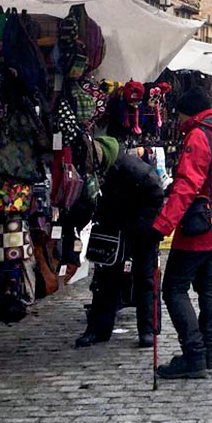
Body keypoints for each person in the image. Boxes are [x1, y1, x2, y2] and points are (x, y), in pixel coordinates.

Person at [151, 87, 212, 379]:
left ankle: (194, 355)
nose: (176, 121)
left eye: (178, 115)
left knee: (174, 288)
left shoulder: (199, 136)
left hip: (199, 225)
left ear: (188, 112)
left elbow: (187, 185)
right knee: (207, 287)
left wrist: (162, 226)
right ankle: (208, 353)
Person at [74, 136, 165, 349]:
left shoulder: (133, 169)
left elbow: (156, 195)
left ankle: (148, 330)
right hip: (113, 227)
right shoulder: (100, 173)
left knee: (145, 279)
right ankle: (98, 329)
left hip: (141, 228)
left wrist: (140, 226)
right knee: (105, 279)